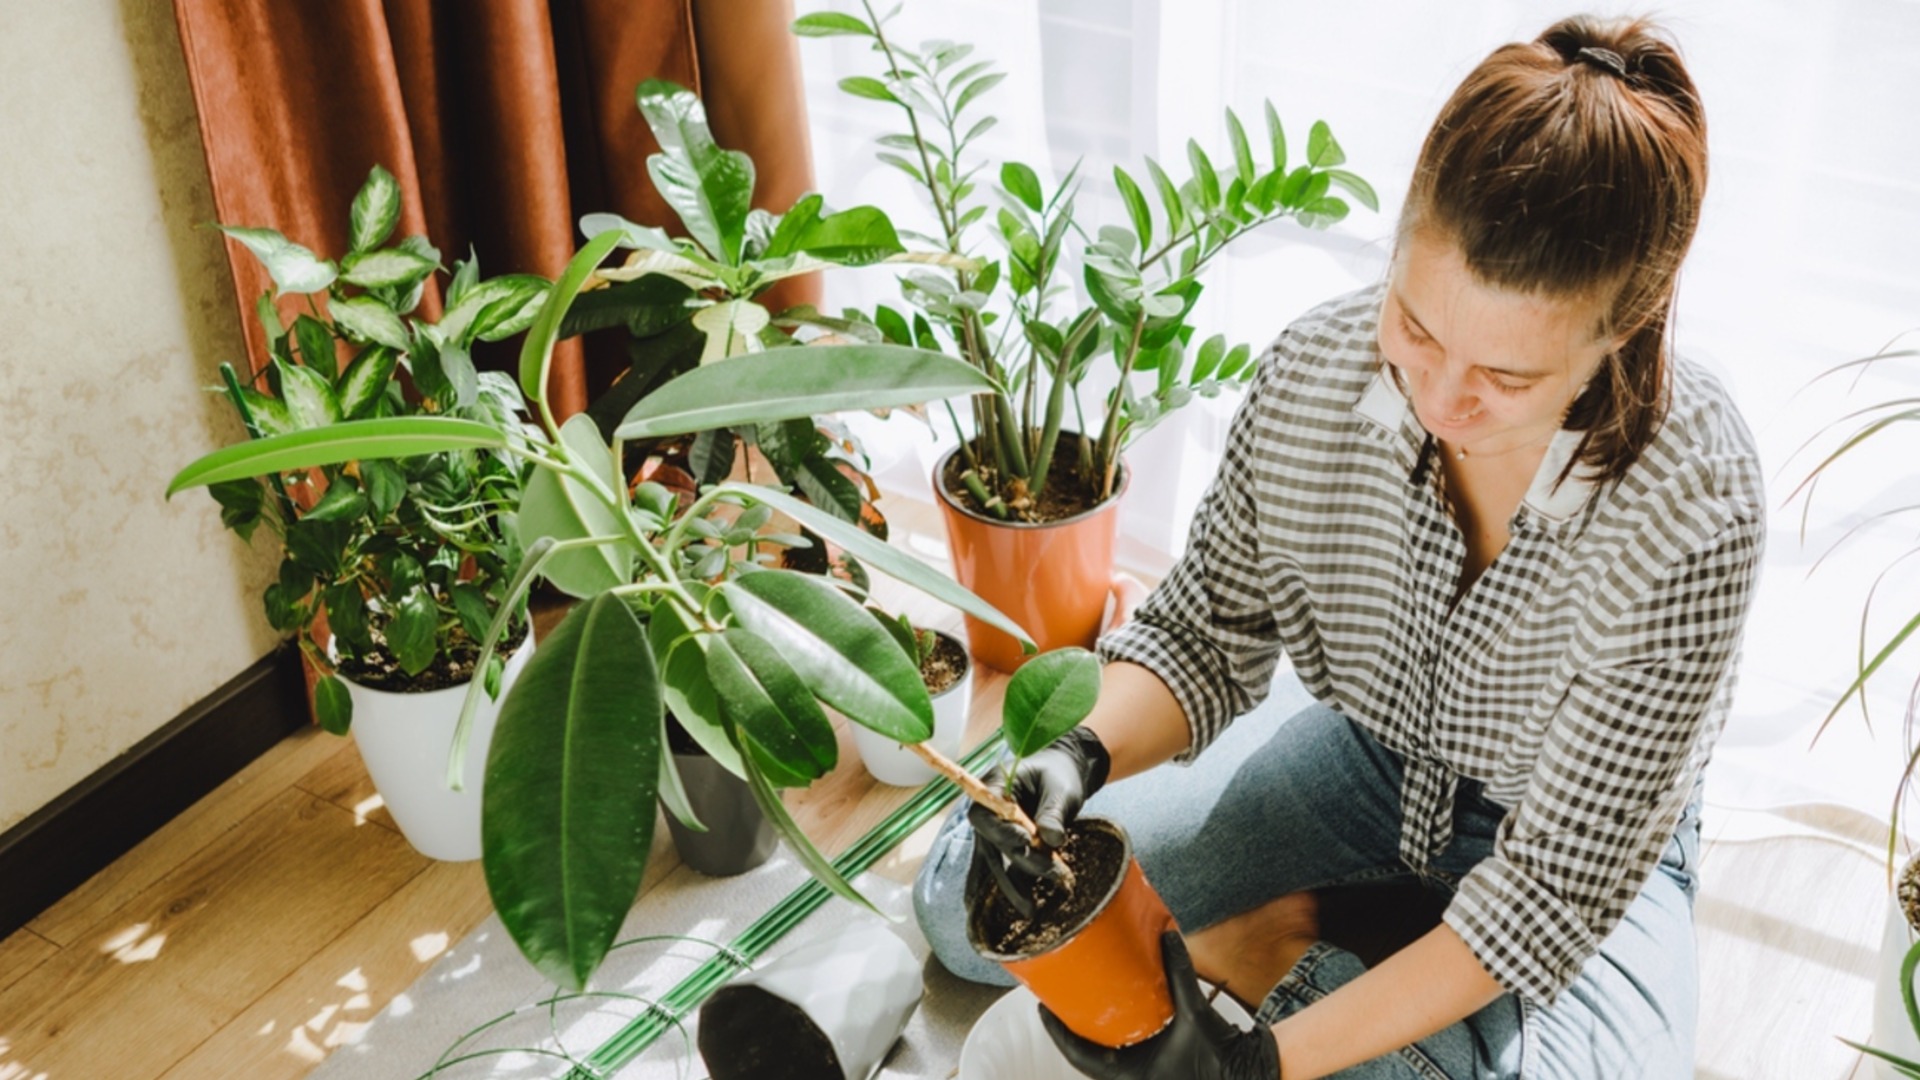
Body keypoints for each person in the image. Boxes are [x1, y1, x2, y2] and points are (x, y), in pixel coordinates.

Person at [913, 14, 1764, 1080]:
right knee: (970, 903)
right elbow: (1203, 634)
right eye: (1415, 322)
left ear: (1624, 329)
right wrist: (1079, 757)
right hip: (1368, 761)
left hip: (1575, 850)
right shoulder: (1316, 367)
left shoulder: (1696, 504)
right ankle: (1298, 924)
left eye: (1506, 378)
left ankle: (1281, 957)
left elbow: (1543, 904)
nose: (1441, 399)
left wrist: (1258, 1061)